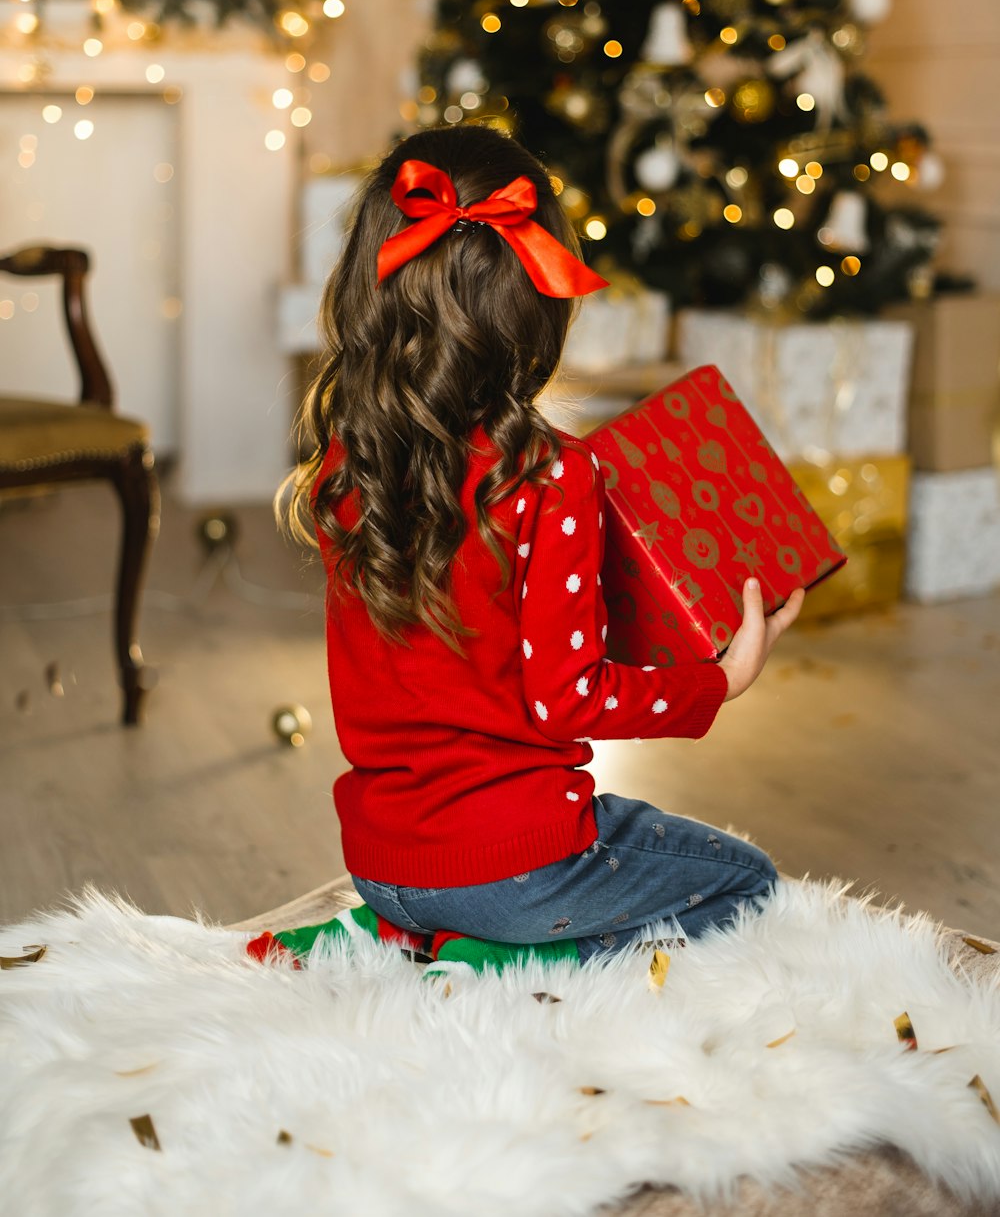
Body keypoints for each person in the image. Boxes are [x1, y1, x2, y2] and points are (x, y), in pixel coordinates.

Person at [282, 123, 804, 963]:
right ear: (539, 307)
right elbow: (569, 700)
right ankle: (504, 959)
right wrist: (718, 682)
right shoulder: (552, 478)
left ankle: (405, 932)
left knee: (632, 835)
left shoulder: (351, 461)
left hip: (382, 865)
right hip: (514, 873)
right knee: (748, 883)